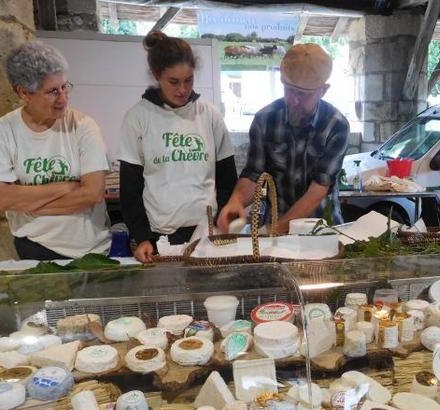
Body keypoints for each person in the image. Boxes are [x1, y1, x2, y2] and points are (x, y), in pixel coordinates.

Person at [0, 41, 111, 260]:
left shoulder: (84, 126)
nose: (63, 98)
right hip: (35, 248)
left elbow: (93, 193)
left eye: (64, 87)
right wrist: (68, 187)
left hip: (92, 250)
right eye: (52, 92)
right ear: (24, 92)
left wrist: (28, 204)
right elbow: (2, 199)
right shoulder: (2, 131)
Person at [119, 31, 237, 263]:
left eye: (189, 80)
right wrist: (142, 237)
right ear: (156, 75)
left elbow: (227, 177)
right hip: (160, 236)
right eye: (174, 82)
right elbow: (130, 189)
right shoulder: (138, 117)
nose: (183, 89)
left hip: (207, 233)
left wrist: (223, 221)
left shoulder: (209, 114)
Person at [217, 43, 350, 234]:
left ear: (323, 90)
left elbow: (318, 190)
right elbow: (254, 173)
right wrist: (236, 201)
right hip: (275, 228)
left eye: (304, 94)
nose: (294, 100)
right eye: (289, 90)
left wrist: (278, 229)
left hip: (322, 231)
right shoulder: (265, 120)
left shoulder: (336, 126)